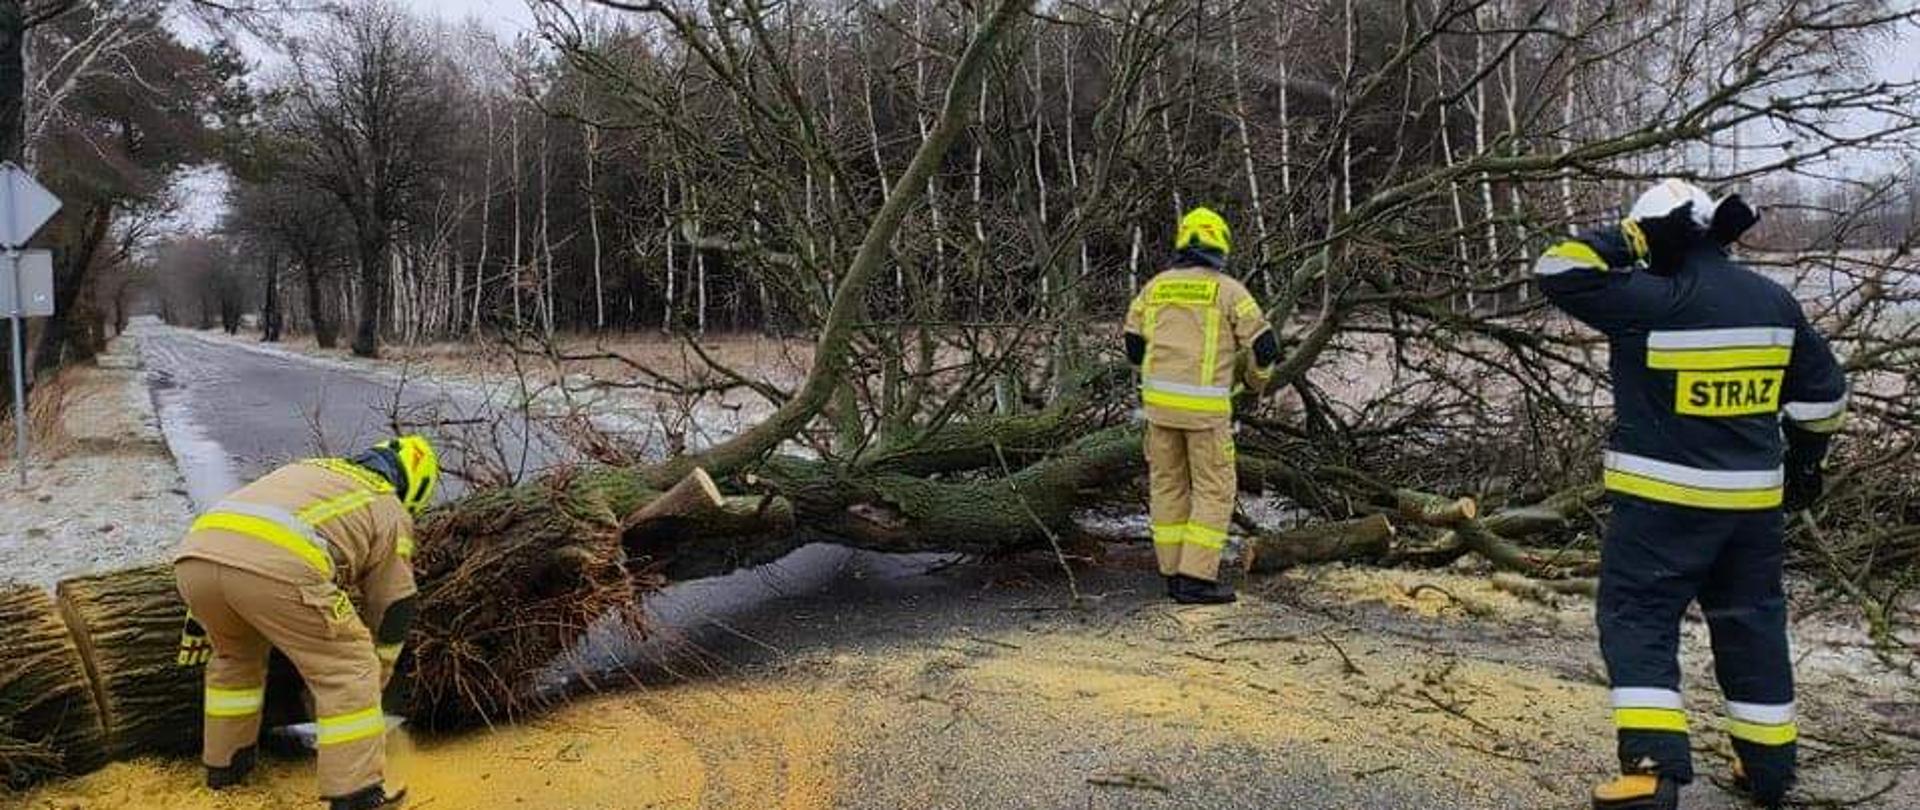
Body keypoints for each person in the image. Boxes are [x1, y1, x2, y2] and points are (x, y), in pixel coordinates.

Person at [1535, 180, 1847, 810]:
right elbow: (1825, 396)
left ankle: (1652, 774)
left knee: (1640, 620)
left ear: (1657, 238)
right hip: (1753, 508)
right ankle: (1768, 769)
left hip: (1663, 508)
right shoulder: (1773, 302)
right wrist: (1807, 464)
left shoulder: (1648, 297)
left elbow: (1557, 267)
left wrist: (1628, 239)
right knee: (1753, 623)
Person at [174, 436, 440, 809]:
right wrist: (380, 665)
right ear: (414, 488)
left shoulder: (310, 469)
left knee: (234, 661)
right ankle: (357, 795)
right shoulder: (387, 505)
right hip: (274, 566)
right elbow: (395, 601)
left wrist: (199, 621)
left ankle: (226, 768)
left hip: (194, 558)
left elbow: (237, 537)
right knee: (350, 665)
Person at [1123, 207, 1280, 604]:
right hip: (1206, 415)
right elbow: (1265, 345)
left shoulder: (1154, 288)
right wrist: (1256, 382)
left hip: (1159, 411)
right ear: (1220, 244)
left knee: (1167, 487)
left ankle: (1173, 574)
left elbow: (1133, 343)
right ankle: (1196, 578)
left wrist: (1158, 374)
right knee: (1214, 490)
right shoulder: (1229, 291)